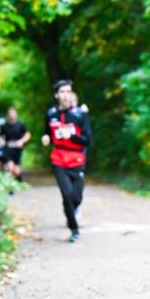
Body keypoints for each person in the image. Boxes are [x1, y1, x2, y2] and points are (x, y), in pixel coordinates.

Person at [41, 79, 93, 243]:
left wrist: (71, 135)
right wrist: (46, 137)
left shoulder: (79, 115)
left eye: (68, 92)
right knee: (67, 194)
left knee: (76, 197)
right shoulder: (51, 114)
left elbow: (88, 139)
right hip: (59, 159)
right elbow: (47, 132)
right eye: (62, 92)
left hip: (77, 159)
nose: (65, 95)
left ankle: (72, 212)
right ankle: (74, 229)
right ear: (57, 95)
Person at [0, 106, 30, 181]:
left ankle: (18, 178)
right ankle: (11, 186)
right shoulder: (4, 126)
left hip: (17, 149)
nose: (11, 115)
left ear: (16, 114)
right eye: (10, 113)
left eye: (13, 113)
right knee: (10, 167)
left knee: (17, 170)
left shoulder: (21, 125)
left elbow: (27, 135)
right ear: (7, 115)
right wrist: (2, 141)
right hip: (7, 149)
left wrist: (22, 141)